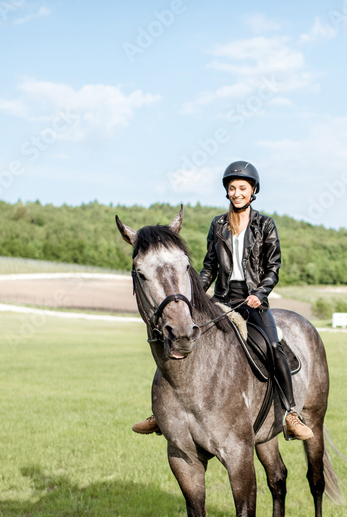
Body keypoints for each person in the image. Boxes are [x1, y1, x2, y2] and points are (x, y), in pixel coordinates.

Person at [132, 160, 313, 440]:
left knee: (273, 344)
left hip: (253, 301)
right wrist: (195, 294)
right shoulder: (218, 225)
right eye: (232, 188)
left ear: (253, 191)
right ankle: (163, 412)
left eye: (243, 187)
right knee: (179, 343)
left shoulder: (265, 224)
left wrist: (260, 294)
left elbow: (273, 266)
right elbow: (209, 267)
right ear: (227, 192)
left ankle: (290, 413)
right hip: (223, 299)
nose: (237, 192)